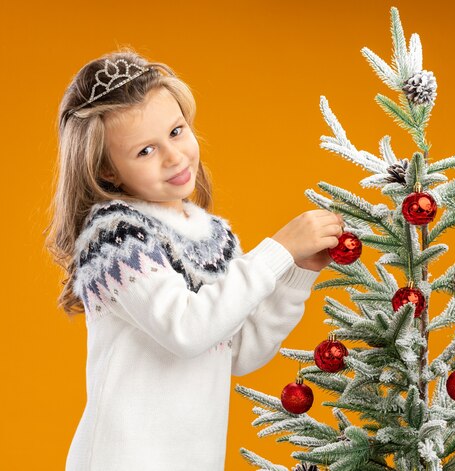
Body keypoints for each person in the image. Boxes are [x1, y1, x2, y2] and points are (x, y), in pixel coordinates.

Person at [45, 46, 345, 471]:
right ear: (108, 170)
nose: (174, 156)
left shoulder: (213, 235)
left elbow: (239, 350)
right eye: (144, 151)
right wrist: (277, 251)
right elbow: (186, 329)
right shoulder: (115, 235)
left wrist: (294, 275)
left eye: (176, 131)